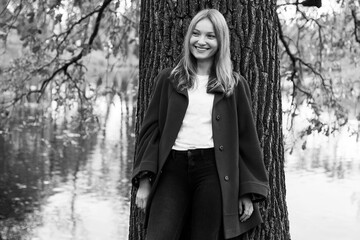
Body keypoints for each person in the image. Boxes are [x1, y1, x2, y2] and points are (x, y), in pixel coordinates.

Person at [132, 8, 269, 240]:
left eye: (210, 36)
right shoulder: (169, 79)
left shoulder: (233, 86)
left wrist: (247, 191)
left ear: (221, 41)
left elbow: (246, 141)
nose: (201, 41)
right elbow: (150, 132)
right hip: (171, 171)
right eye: (196, 34)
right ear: (189, 38)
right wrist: (144, 181)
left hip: (213, 173)